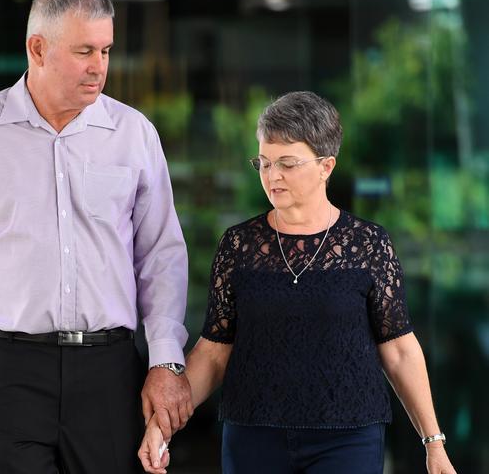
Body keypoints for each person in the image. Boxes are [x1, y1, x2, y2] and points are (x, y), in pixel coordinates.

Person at [0, 0, 193, 473]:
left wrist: (165, 361)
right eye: (84, 51)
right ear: (37, 48)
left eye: (105, 50)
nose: (98, 66)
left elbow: (161, 257)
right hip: (5, 372)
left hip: (108, 373)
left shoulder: (134, 134)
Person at [139, 91, 457, 474]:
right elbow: (213, 353)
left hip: (348, 438)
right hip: (253, 437)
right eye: (264, 162)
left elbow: (399, 351)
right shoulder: (238, 245)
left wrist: (433, 443)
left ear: (327, 166)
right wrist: (164, 424)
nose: (272, 176)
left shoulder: (368, 244)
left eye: (287, 164)